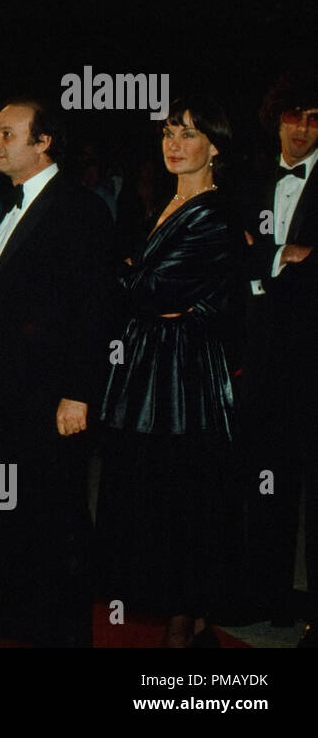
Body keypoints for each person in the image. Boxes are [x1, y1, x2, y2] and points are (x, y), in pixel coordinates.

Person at [0, 96, 113, 648]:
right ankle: (15, 613)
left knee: (59, 518)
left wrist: (78, 394)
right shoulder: (12, 204)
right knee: (12, 511)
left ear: (43, 142)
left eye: (7, 134)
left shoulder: (80, 209)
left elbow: (95, 310)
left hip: (52, 400)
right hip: (7, 396)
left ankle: (67, 635)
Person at [97, 98, 240, 647]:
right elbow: (152, 294)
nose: (174, 145)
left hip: (182, 376)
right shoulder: (167, 202)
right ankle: (192, 626)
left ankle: (183, 635)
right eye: (168, 133)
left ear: (215, 146)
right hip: (153, 363)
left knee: (181, 496)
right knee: (158, 497)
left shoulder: (213, 211)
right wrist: (139, 282)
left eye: (188, 134)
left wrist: (116, 269)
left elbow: (154, 290)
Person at [242, 71, 318, 644]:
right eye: (294, 116)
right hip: (259, 357)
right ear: (277, 118)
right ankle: (266, 594)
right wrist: (278, 256)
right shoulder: (250, 177)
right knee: (265, 480)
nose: (303, 128)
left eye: (315, 118)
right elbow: (228, 252)